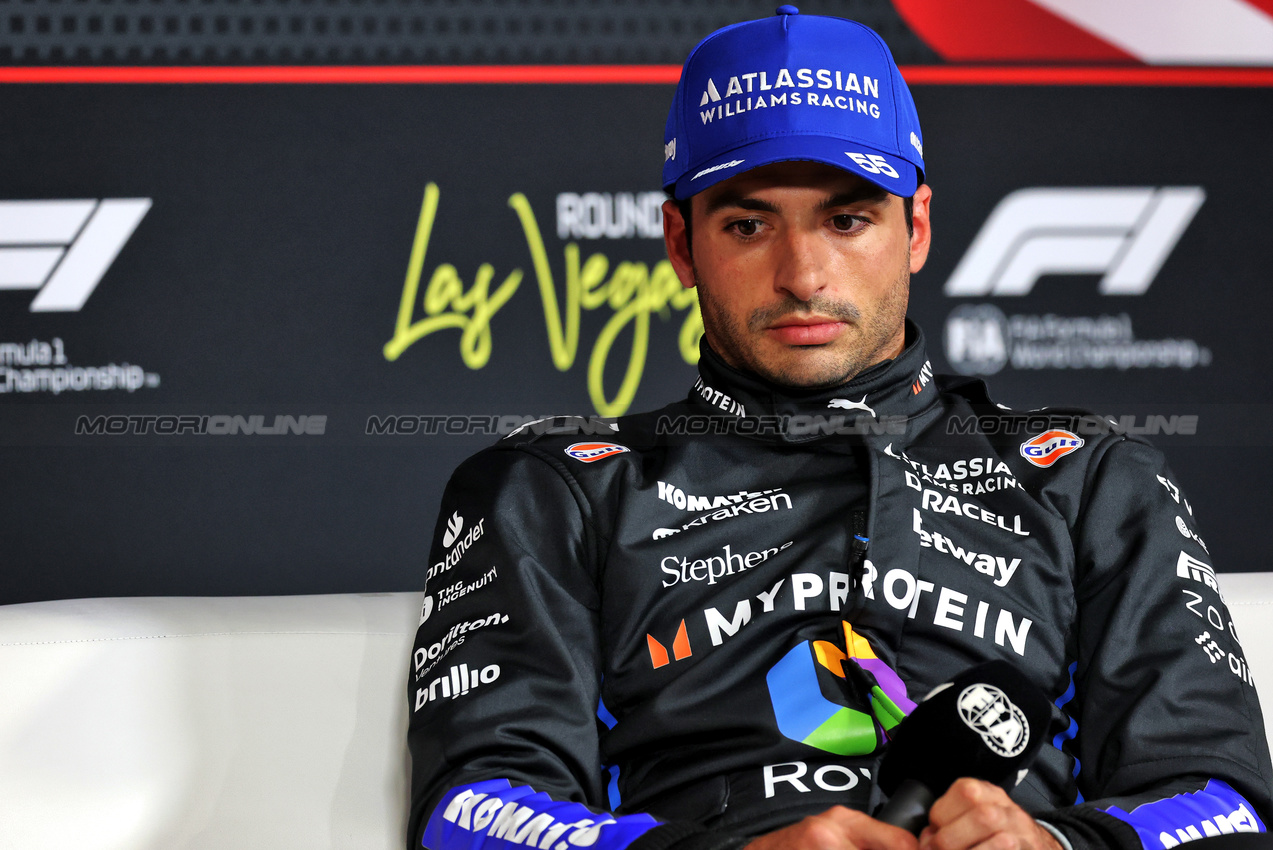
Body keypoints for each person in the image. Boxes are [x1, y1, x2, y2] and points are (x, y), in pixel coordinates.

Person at [406, 8, 1273, 850]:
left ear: (917, 228)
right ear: (680, 244)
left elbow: (1222, 810)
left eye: (847, 218)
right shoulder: (560, 487)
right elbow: (474, 815)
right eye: (748, 224)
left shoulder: (1085, 477)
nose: (802, 274)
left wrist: (1054, 845)